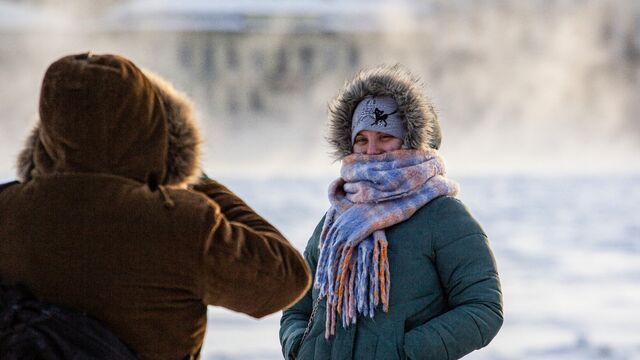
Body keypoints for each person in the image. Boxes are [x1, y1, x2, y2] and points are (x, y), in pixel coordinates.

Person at [0, 53, 311, 359]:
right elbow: (286, 279)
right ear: (151, 125)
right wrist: (193, 178)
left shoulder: (8, 211)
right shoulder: (180, 222)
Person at [279, 65, 503, 359]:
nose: (371, 150)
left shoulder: (443, 215)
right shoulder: (338, 216)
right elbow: (296, 304)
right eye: (362, 139)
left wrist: (404, 353)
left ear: (409, 141)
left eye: (384, 137)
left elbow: (483, 308)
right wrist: (300, 347)